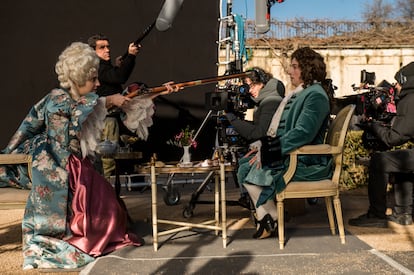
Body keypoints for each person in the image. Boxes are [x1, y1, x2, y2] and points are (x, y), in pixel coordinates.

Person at [0, 42, 161, 269]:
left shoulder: (81, 100)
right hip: (55, 163)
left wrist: (149, 93)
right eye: (93, 79)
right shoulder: (58, 98)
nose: (98, 83)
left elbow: (100, 107)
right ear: (77, 78)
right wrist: (8, 156)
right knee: (97, 200)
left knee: (107, 200)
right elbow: (59, 131)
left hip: (72, 162)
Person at [237, 47, 335, 239]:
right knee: (245, 164)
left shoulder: (315, 95)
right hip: (293, 153)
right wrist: (262, 147)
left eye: (295, 67)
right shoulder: (303, 92)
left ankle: (270, 217)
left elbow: (303, 133)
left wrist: (269, 150)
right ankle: (269, 216)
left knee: (255, 169)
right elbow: (285, 130)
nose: (290, 71)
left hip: (305, 160)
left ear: (308, 69)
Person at [349, 62, 414, 227]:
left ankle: (376, 215)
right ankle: (403, 213)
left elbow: (393, 138)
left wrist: (374, 125)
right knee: (401, 161)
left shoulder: (410, 99)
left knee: (380, 160)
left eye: (398, 82)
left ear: (407, 81)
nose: (396, 86)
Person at [224, 67, 285, 208]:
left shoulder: (271, 101)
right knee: (244, 163)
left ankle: (267, 214)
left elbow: (259, 133)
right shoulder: (266, 100)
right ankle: (262, 212)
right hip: (271, 148)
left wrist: (233, 120)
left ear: (262, 82)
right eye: (247, 86)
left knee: (245, 167)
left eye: (252, 85)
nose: (249, 90)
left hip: (275, 154)